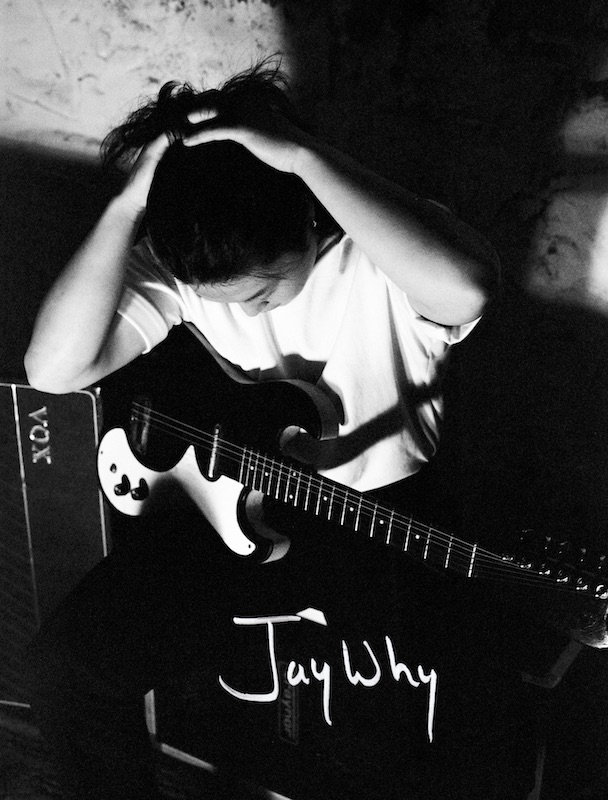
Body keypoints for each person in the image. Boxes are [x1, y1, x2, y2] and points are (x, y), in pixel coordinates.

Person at [23, 62, 500, 799]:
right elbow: (55, 369)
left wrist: (300, 156)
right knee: (69, 667)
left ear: (306, 212)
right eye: (223, 299)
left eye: (265, 289)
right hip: (235, 515)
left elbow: (468, 289)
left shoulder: (385, 251)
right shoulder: (189, 264)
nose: (245, 312)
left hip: (379, 528)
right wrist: (127, 205)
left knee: (370, 753)